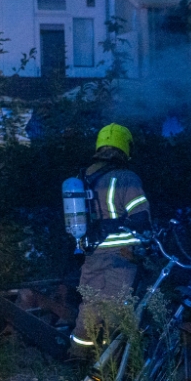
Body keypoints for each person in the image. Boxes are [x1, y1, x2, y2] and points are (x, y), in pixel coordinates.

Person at [70, 123, 151, 353]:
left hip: (91, 254)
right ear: (125, 147)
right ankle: (111, 365)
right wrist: (146, 246)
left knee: (90, 308)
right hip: (122, 256)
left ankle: (79, 356)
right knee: (116, 311)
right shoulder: (127, 178)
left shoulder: (83, 177)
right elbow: (141, 217)